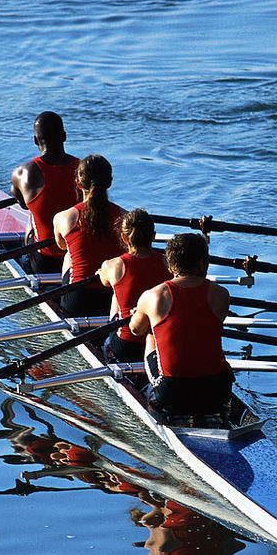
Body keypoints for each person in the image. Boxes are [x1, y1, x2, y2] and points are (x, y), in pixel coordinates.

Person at [128, 233, 234, 423]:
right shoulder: (221, 294)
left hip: (173, 394)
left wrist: (142, 313)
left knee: (150, 335)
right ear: (202, 263)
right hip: (216, 391)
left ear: (170, 265)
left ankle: (154, 395)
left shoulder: (152, 296)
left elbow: (135, 330)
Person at [52, 154, 126, 317]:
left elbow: (61, 246)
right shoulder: (125, 217)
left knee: (68, 256)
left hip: (78, 301)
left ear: (78, 184)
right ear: (110, 183)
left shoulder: (63, 218)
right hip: (112, 297)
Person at [97, 208, 171, 363]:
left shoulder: (112, 265)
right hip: (159, 343)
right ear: (153, 236)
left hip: (126, 345)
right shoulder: (169, 263)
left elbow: (104, 282)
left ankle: (108, 346)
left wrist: (102, 272)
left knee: (115, 294)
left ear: (124, 238)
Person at [10, 111, 80, 274]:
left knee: (31, 212)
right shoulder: (83, 168)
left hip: (44, 262)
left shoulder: (22, 173)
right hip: (77, 256)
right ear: (64, 136)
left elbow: (23, 205)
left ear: (35, 140)